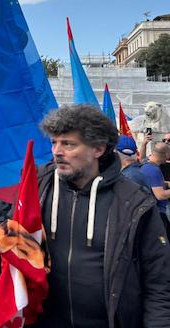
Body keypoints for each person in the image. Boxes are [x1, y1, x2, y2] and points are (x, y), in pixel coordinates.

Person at [35, 105, 170, 326]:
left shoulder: (134, 202)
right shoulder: (38, 187)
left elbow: (159, 280)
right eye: (54, 142)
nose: (57, 151)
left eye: (68, 143)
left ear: (98, 148)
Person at [140, 141, 170, 235]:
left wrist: (166, 183)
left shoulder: (146, 164)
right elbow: (160, 195)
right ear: (166, 154)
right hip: (158, 213)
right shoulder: (153, 170)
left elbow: (152, 183)